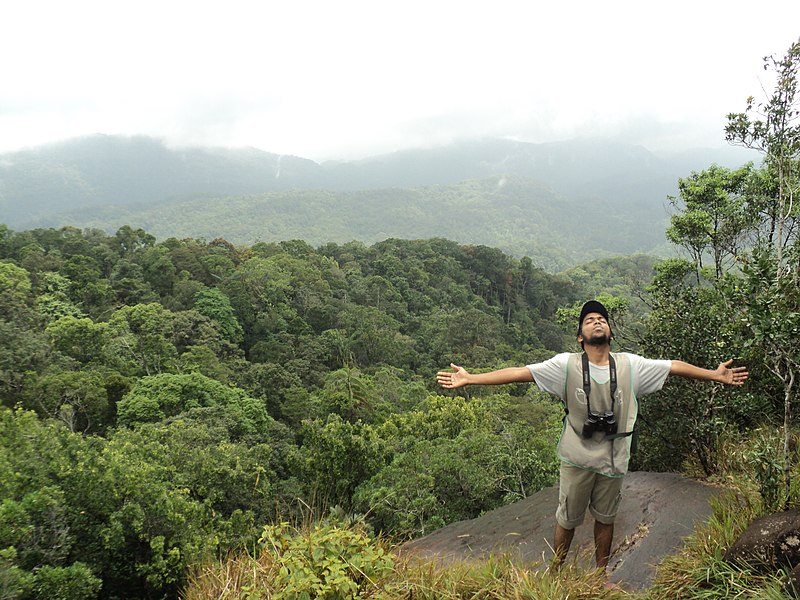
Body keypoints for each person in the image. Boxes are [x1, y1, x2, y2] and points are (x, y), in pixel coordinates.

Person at [436, 299, 748, 573]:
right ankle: (556, 572)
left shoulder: (631, 365)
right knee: (568, 518)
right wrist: (471, 378)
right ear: (580, 336)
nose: (596, 321)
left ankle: (600, 576)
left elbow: (673, 367)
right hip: (578, 458)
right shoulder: (565, 365)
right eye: (589, 320)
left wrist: (714, 374)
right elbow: (520, 372)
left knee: (606, 517)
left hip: (613, 458)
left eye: (601, 319)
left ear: (610, 332)